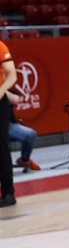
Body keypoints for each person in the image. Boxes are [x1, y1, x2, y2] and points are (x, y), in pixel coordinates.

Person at [0, 38, 16, 207]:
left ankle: (8, 193)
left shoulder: (0, 46)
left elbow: (12, 74)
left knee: (1, 147)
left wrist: (2, 89)